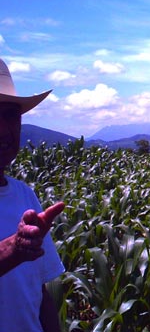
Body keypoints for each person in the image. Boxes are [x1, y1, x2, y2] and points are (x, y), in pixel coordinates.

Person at [0, 58, 65, 332]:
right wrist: (13, 249)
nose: (4, 129)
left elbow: (39, 292)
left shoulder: (24, 194)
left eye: (11, 115)